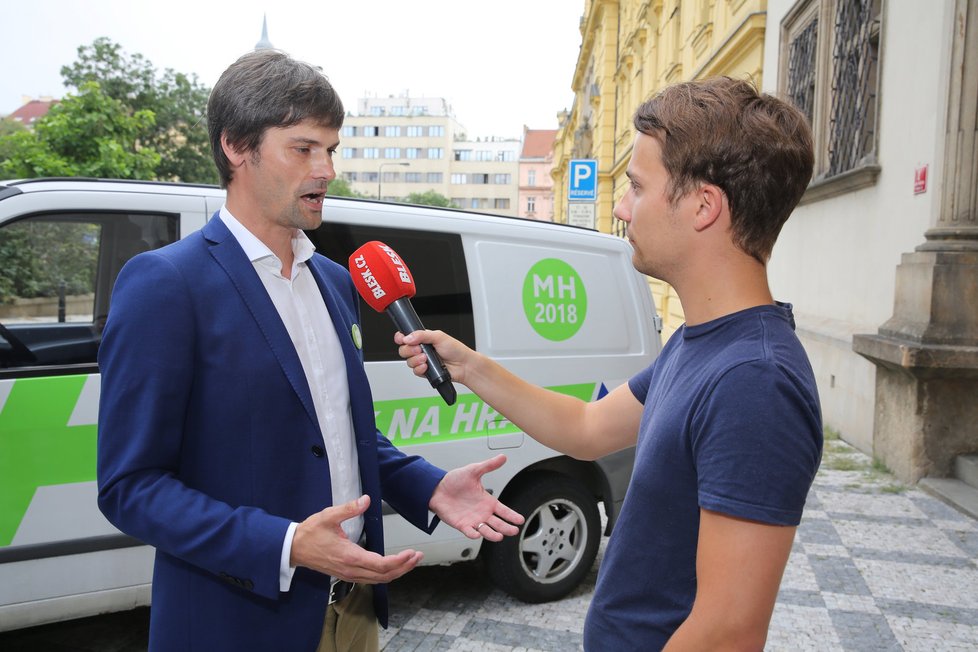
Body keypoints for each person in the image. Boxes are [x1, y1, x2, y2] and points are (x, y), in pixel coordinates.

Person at [96, 49, 522, 652]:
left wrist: (427, 485)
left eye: (333, 149)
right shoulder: (166, 285)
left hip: (353, 614)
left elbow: (338, 434)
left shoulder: (336, 281)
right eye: (303, 149)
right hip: (236, 627)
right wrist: (287, 543)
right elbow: (130, 487)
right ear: (237, 149)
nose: (325, 169)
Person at [397, 76, 823, 650]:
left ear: (704, 205)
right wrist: (470, 365)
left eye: (637, 187)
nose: (621, 207)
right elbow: (587, 429)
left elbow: (728, 632)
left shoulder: (755, 381)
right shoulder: (703, 343)